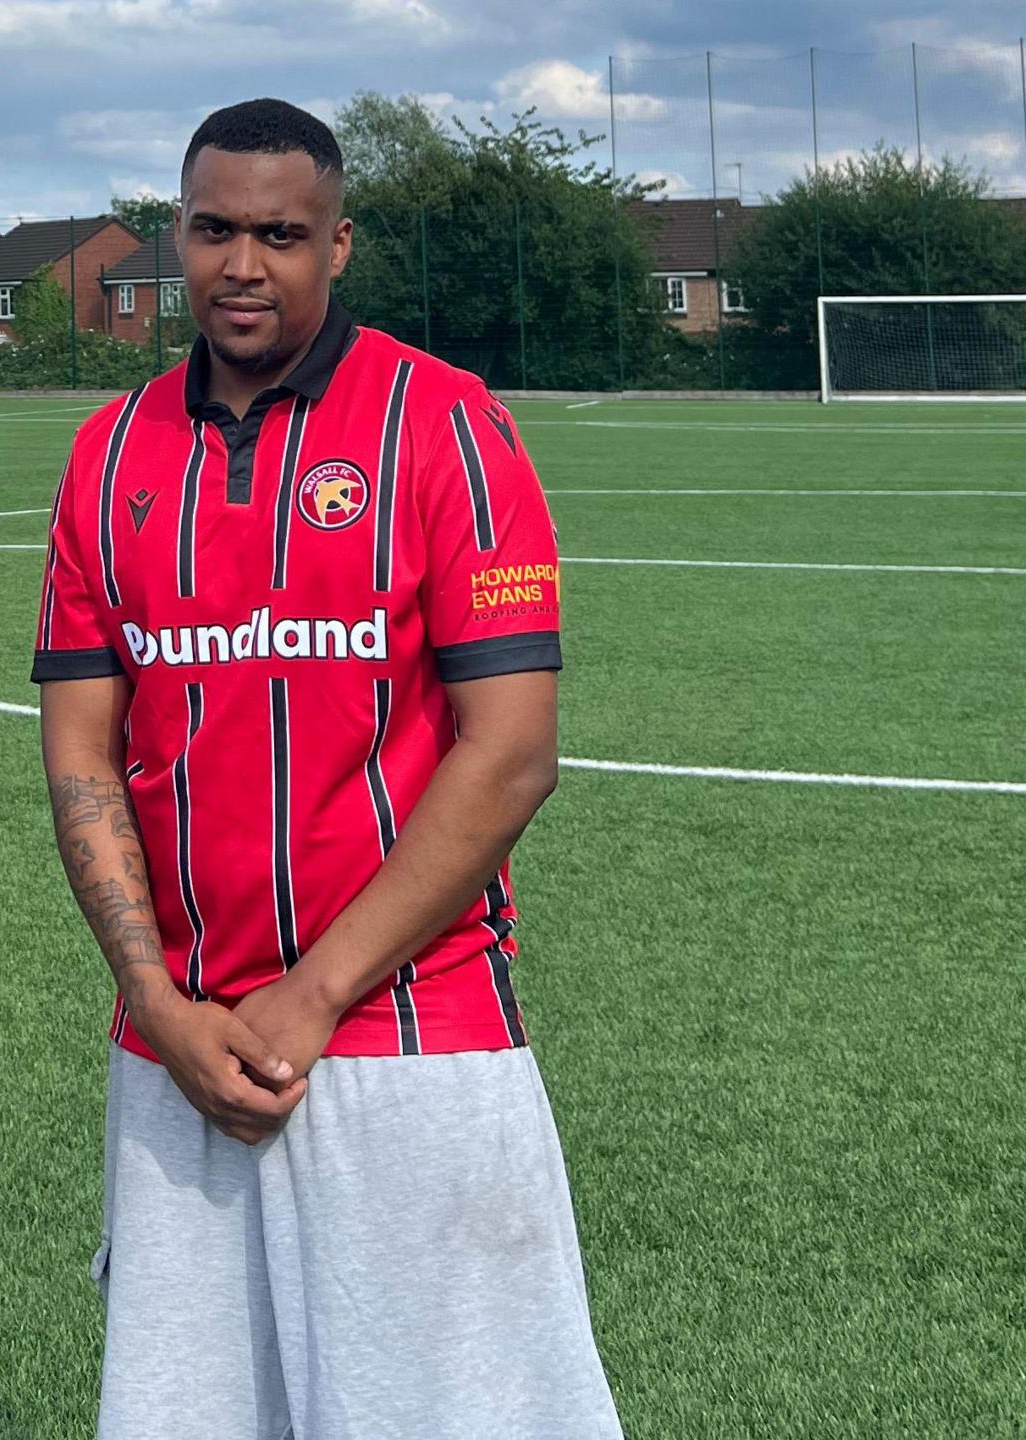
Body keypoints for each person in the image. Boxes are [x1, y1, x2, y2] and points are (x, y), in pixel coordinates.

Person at [32, 98, 620, 1438]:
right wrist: (156, 1000)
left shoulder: (447, 423)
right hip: (175, 1055)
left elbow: (512, 755)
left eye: (282, 235)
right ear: (178, 237)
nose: (245, 265)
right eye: (216, 230)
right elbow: (80, 755)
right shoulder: (109, 453)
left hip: (408, 1047)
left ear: (337, 244)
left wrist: (313, 994)